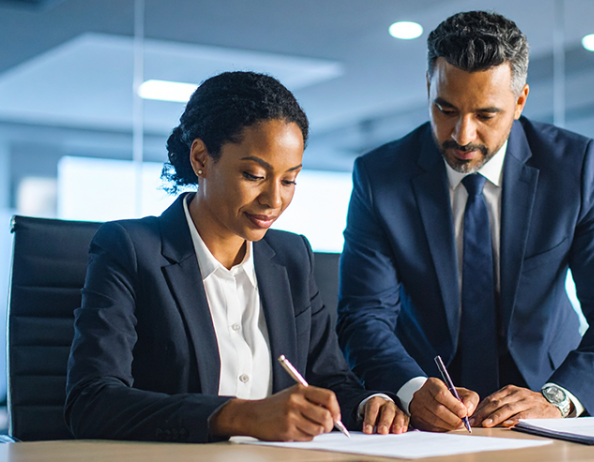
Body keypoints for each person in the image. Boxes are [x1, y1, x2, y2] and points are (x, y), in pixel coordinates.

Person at [337, 11, 594, 431]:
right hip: (425, 416)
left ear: (519, 101)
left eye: (486, 115)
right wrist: (409, 388)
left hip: (545, 403)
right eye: (445, 109)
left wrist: (557, 398)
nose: (462, 135)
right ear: (428, 87)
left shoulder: (573, 168)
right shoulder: (380, 177)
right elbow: (363, 315)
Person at [67, 71, 408, 442]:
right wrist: (238, 415)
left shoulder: (292, 257)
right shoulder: (130, 249)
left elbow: (328, 380)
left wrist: (368, 404)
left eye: (289, 179)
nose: (274, 200)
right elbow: (92, 402)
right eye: (254, 174)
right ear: (201, 158)